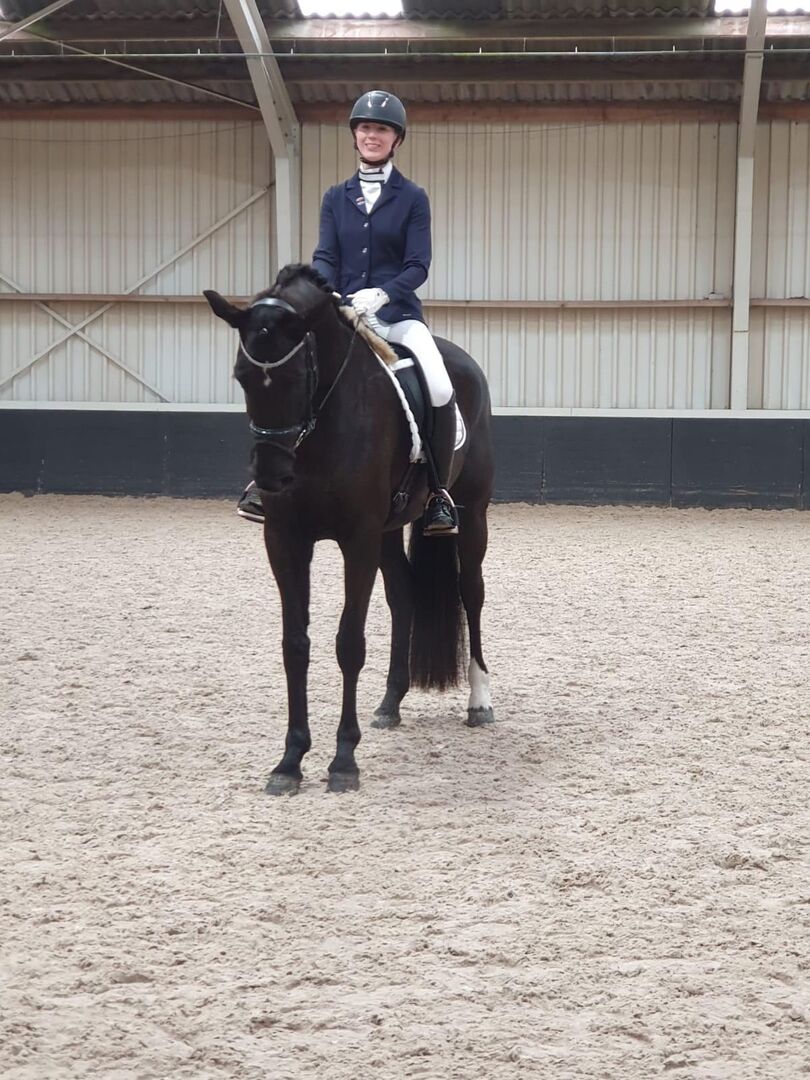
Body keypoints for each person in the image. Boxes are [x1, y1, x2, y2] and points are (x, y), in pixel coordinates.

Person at [238, 89, 458, 535]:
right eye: (365, 128)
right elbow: (325, 257)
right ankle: (266, 480)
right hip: (342, 314)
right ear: (355, 135)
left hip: (396, 316)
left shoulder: (413, 197)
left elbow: (418, 264)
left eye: (382, 130)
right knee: (288, 374)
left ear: (397, 139)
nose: (372, 135)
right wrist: (329, 293)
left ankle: (437, 492)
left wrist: (382, 295)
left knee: (437, 384)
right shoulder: (336, 197)